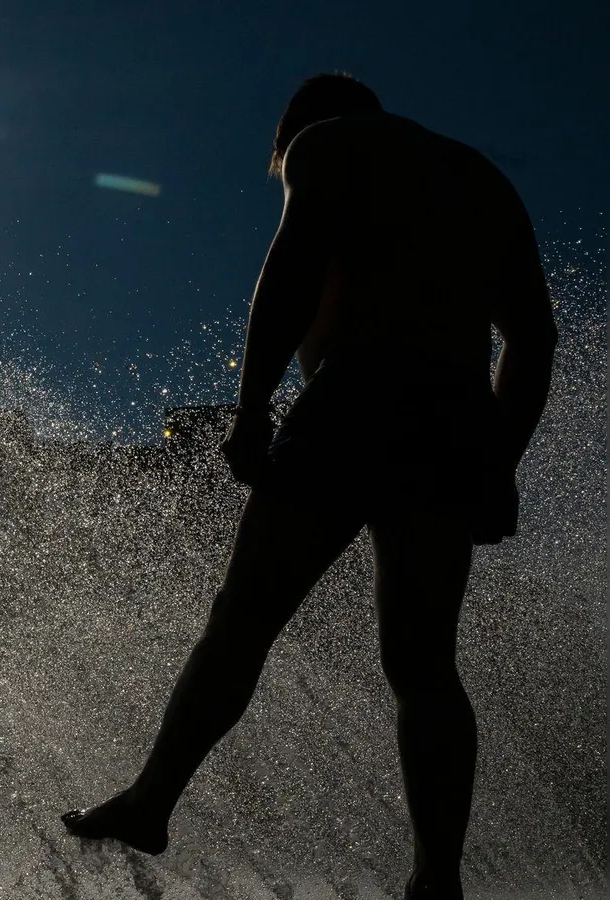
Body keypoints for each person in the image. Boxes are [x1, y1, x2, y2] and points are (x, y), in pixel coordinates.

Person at [61, 73, 557, 900]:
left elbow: (291, 268)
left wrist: (252, 411)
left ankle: (152, 801)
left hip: (358, 401)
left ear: (297, 128)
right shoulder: (482, 177)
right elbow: (532, 337)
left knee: (243, 621)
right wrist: (498, 461)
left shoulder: (328, 145)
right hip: (454, 419)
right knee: (424, 664)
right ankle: (438, 875)